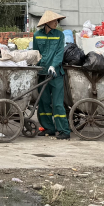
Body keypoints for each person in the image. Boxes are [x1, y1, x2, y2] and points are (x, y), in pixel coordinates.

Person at [33, 11, 70, 139]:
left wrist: (53, 66)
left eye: (57, 21)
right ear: (47, 23)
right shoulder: (37, 35)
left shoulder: (59, 35)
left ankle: (64, 130)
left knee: (57, 103)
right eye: (54, 21)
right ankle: (49, 128)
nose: (56, 23)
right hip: (42, 73)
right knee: (43, 102)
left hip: (56, 74)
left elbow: (59, 53)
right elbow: (36, 53)